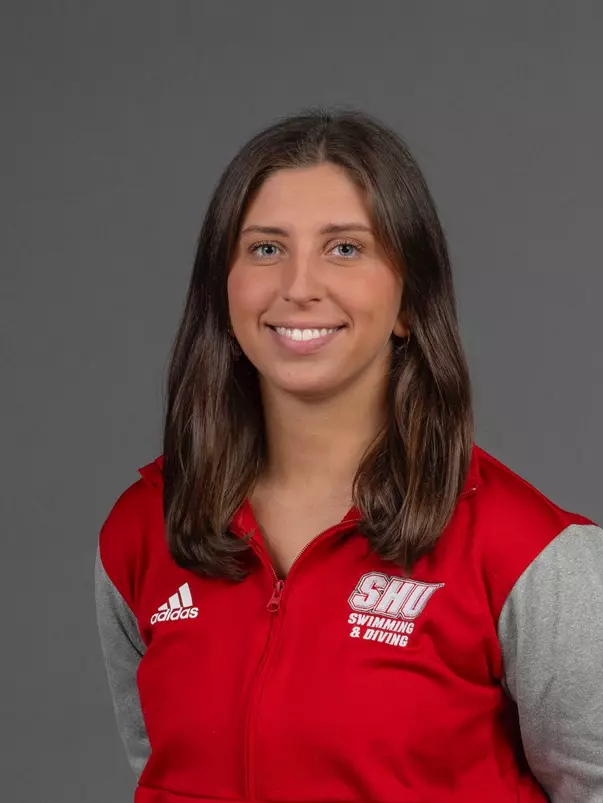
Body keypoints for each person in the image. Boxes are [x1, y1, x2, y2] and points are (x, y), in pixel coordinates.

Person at [95, 108, 603, 803]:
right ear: (225, 289)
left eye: (344, 248)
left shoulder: (528, 553)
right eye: (266, 248)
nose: (298, 286)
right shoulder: (141, 529)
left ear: (408, 302)